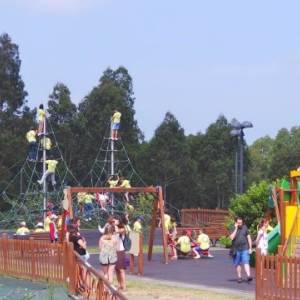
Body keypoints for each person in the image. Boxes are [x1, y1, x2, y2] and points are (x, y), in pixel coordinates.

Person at [229, 216, 253, 283]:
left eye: (241, 223)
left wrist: (250, 248)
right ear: (236, 222)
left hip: (244, 248)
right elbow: (231, 238)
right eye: (238, 223)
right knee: (238, 263)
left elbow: (249, 238)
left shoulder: (245, 227)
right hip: (236, 249)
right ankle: (239, 277)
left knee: (246, 261)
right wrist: (236, 228)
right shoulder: (232, 228)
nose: (240, 224)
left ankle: (248, 276)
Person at [115, 218, 127, 291]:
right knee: (116, 269)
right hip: (113, 251)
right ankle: (119, 284)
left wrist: (115, 227)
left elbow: (120, 231)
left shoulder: (122, 229)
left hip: (120, 251)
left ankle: (124, 285)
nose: (113, 222)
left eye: (115, 220)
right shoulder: (111, 229)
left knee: (121, 269)